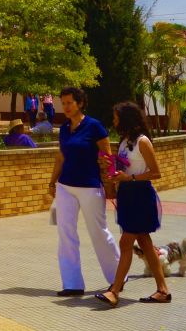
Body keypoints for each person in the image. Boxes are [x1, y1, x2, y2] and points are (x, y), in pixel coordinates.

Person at [95, 102, 171, 307]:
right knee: (145, 243)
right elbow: (125, 169)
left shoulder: (142, 142)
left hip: (140, 195)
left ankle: (115, 290)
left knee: (126, 242)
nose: (114, 121)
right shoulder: (124, 142)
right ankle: (163, 290)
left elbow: (156, 172)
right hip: (128, 194)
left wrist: (131, 179)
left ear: (126, 118)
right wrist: (112, 170)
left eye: (116, 117)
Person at [47, 86, 119, 297]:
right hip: (65, 186)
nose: (66, 107)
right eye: (63, 103)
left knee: (98, 232)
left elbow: (107, 157)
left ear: (80, 103)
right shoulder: (64, 128)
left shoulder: (95, 126)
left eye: (70, 102)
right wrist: (52, 183)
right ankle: (72, 284)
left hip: (90, 186)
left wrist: (110, 185)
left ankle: (117, 277)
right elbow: (61, 157)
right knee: (66, 233)